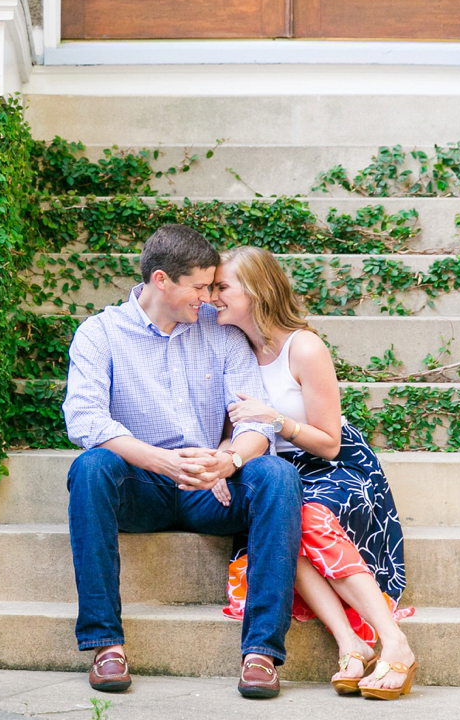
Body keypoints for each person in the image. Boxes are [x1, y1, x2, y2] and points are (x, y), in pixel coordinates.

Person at [63, 224, 302, 700]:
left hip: (210, 487)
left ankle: (261, 654)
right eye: (200, 287)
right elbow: (85, 419)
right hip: (141, 486)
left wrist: (228, 460)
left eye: (214, 286)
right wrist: (161, 462)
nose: (210, 297)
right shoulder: (101, 333)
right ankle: (105, 643)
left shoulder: (221, 333)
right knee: (90, 468)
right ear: (161, 281)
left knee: (277, 474)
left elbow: (254, 420)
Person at [212, 245, 418, 700]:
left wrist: (277, 420)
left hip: (335, 466)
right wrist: (221, 460)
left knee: (304, 518)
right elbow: (233, 428)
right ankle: (351, 642)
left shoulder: (303, 347)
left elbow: (330, 442)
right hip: (274, 470)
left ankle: (395, 644)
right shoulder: (233, 351)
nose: (212, 296)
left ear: (256, 290)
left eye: (222, 287)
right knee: (282, 516)